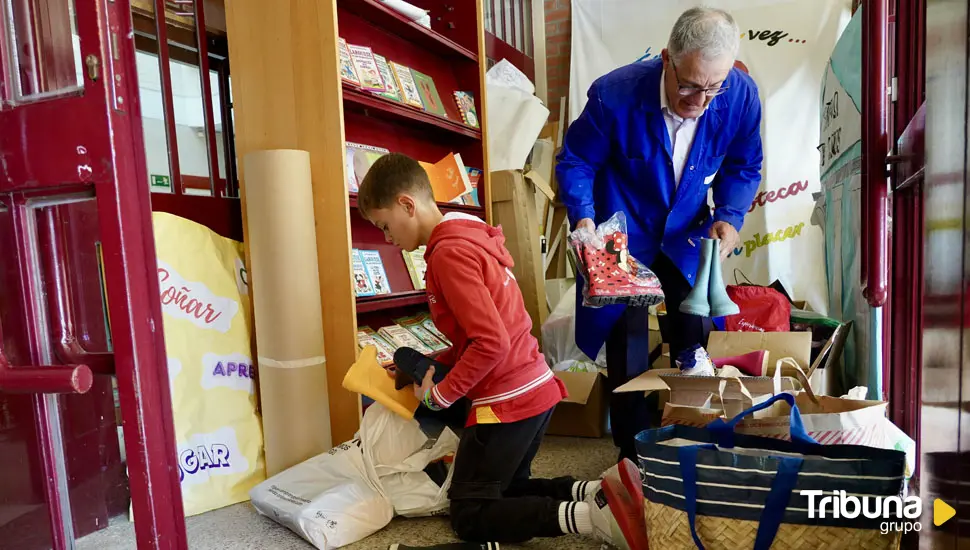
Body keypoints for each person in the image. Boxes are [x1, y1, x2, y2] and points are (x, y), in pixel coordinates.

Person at [357, 153, 648, 550]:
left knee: (470, 515)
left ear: (407, 204)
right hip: (533, 386)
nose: (387, 237)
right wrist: (435, 364)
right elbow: (482, 335)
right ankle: (596, 490)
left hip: (507, 401)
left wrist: (440, 395)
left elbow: (490, 342)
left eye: (385, 225)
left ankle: (592, 518)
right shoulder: (466, 238)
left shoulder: (448, 255)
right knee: (509, 488)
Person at [556, 7, 764, 462]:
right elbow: (576, 161)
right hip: (620, 228)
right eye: (689, 85)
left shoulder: (741, 95)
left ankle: (698, 437)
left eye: (713, 87)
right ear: (667, 59)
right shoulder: (615, 94)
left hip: (686, 229)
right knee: (627, 346)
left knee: (697, 332)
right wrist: (585, 218)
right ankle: (633, 454)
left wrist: (729, 213)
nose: (700, 101)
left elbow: (744, 165)